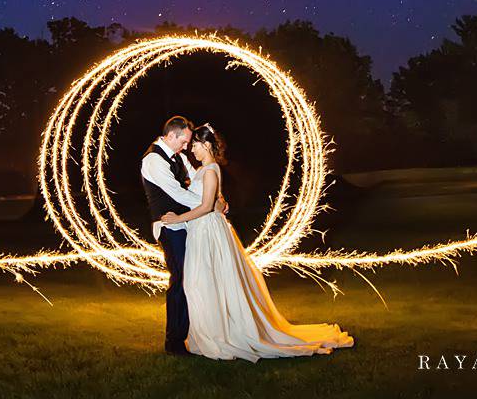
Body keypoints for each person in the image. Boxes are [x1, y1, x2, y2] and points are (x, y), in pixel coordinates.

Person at [160, 122, 355, 362]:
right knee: (200, 282)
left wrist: (179, 217)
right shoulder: (203, 169)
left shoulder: (211, 170)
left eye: (197, 145)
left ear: (208, 145)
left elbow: (207, 206)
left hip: (208, 231)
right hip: (201, 231)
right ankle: (208, 331)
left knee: (206, 280)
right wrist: (219, 203)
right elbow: (216, 202)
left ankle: (221, 334)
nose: (192, 150)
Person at [139, 115, 227, 355]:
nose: (187, 146)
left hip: (187, 225)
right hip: (170, 227)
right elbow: (177, 193)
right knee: (180, 280)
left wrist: (215, 197)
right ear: (171, 135)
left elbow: (199, 177)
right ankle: (174, 341)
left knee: (191, 279)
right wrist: (209, 204)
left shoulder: (176, 157)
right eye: (185, 141)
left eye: (190, 143)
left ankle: (192, 334)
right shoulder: (154, 161)